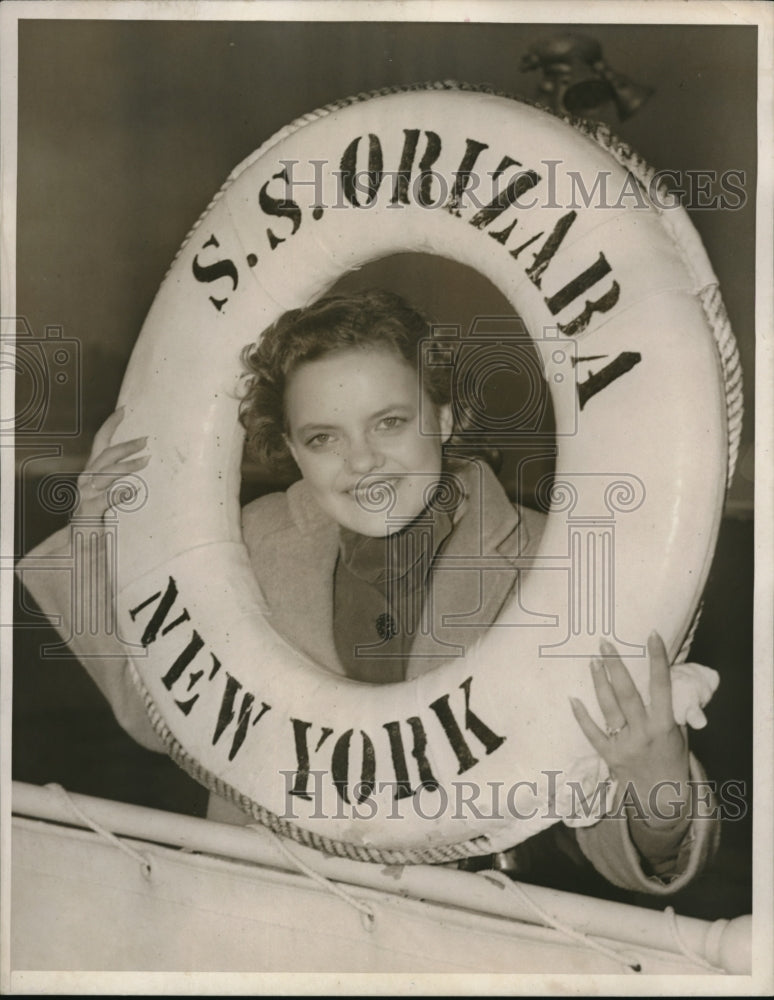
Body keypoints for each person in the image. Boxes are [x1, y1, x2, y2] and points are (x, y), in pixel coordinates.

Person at [17, 288, 719, 895]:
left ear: (443, 420)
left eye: (389, 423)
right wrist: (96, 541)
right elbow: (161, 720)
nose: (360, 461)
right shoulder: (246, 544)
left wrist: (660, 794)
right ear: (292, 449)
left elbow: (592, 827)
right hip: (250, 926)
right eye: (323, 437)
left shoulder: (556, 563)